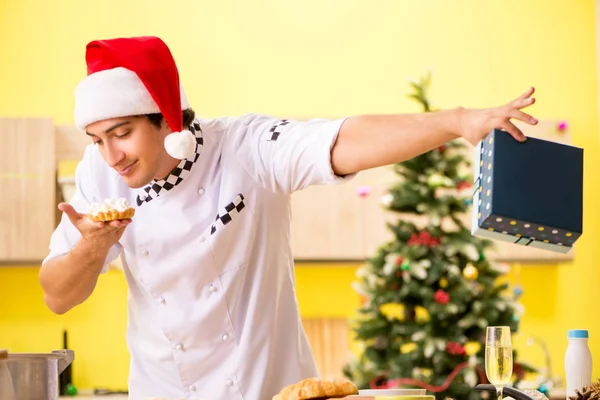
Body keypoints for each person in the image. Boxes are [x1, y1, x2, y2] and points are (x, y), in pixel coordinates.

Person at [39, 36, 538, 400]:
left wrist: (455, 122)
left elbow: (342, 141)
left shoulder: (245, 148)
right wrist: (92, 245)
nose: (110, 155)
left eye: (122, 133)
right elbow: (58, 296)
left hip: (273, 393)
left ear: (166, 118)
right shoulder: (98, 177)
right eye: (97, 138)